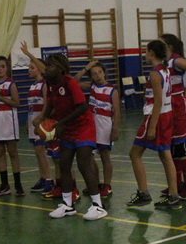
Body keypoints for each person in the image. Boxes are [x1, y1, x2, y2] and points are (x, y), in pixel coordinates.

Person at [35, 53, 106, 221]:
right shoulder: (50, 83)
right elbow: (51, 102)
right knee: (64, 164)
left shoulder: (69, 82)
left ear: (60, 69)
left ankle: (98, 206)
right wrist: (43, 119)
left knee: (83, 164)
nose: (46, 69)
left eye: (50, 66)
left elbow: (82, 107)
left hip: (83, 127)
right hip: (67, 127)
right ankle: (67, 205)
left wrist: (61, 123)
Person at [127, 40, 181, 209]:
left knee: (134, 154)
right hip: (166, 115)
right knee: (166, 156)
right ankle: (173, 196)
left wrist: (151, 126)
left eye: (146, 51)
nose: (145, 54)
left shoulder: (155, 73)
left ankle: (144, 193)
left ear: (151, 52)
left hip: (155, 117)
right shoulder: (165, 70)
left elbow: (158, 101)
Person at [160, 33, 186, 201]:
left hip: (180, 104)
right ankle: (176, 184)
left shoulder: (177, 60)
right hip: (170, 104)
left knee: (181, 146)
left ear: (169, 46)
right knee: (172, 147)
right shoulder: (165, 62)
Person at [73, 59, 121, 199]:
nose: (97, 75)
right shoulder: (92, 87)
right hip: (91, 126)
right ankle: (95, 183)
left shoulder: (112, 90)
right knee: (88, 156)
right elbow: (74, 82)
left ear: (104, 73)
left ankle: (107, 185)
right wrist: (86, 68)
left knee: (105, 156)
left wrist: (115, 129)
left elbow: (117, 111)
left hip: (105, 126)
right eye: (94, 73)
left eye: (100, 72)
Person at [19, 41, 53, 194]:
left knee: (41, 151)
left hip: (41, 124)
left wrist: (41, 121)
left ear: (39, 70)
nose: (29, 70)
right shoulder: (33, 86)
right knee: (37, 152)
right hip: (33, 123)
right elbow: (31, 107)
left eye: (32, 67)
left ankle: (49, 179)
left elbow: (47, 104)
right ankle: (43, 177)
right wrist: (28, 123)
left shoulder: (44, 84)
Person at [0, 55, 23, 196]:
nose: (0, 69)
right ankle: (4, 185)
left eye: (3, 66)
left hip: (8, 120)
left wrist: (0, 97)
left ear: (7, 68)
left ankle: (18, 185)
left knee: (13, 153)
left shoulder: (10, 84)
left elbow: (17, 103)